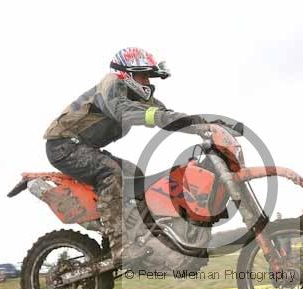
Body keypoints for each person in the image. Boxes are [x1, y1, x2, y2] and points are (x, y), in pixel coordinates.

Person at [43, 47, 205, 262]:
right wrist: (158, 116)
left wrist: (202, 125)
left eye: (148, 76)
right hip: (63, 146)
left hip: (83, 147)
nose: (147, 81)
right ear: (127, 74)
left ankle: (139, 231)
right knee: (111, 172)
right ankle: (120, 244)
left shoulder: (137, 97)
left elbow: (166, 115)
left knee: (134, 173)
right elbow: (122, 110)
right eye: (143, 76)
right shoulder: (112, 84)